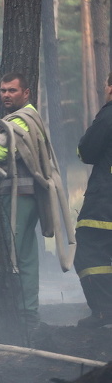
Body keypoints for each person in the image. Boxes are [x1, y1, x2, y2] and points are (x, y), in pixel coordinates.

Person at [0, 72, 73, 329]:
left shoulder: (18, 120)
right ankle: (28, 312)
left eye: (12, 90)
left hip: (17, 197)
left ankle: (21, 314)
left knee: (12, 255)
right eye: (3, 90)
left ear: (26, 93)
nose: (6, 95)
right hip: (28, 197)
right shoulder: (32, 117)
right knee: (26, 256)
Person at [73, 73, 112, 328]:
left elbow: (87, 150)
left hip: (105, 200)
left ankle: (104, 312)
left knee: (90, 252)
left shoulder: (109, 115)